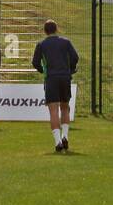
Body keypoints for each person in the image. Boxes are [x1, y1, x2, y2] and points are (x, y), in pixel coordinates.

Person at [30, 20, 78, 153]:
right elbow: (75, 57)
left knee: (53, 110)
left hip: (51, 78)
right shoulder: (66, 42)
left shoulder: (41, 44)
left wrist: (43, 71)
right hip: (64, 77)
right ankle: (65, 136)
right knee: (65, 107)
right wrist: (71, 69)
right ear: (56, 29)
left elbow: (35, 62)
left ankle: (58, 141)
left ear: (45, 31)